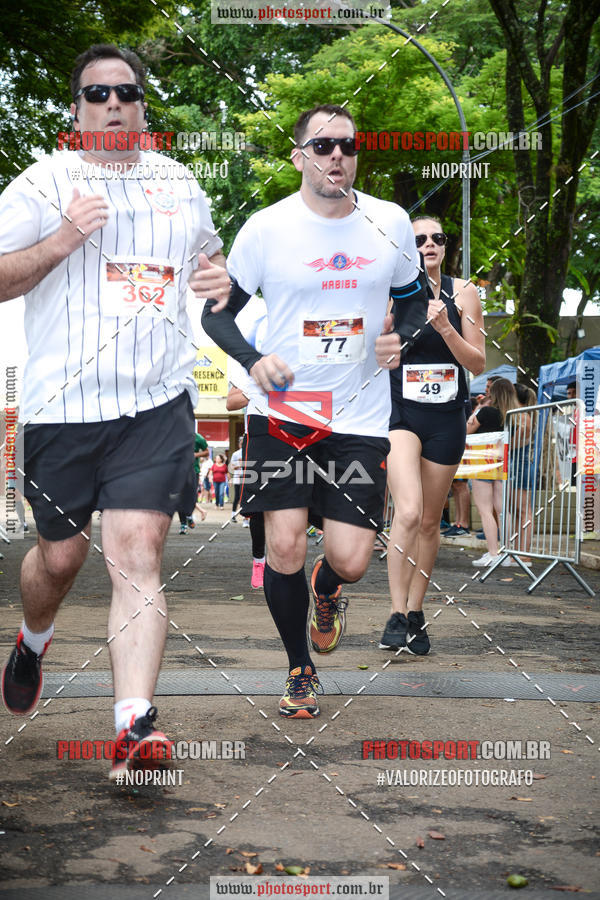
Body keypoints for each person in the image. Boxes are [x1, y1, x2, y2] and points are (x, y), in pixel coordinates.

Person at [0, 44, 231, 780]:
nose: (112, 105)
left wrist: (218, 280)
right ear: (76, 110)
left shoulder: (180, 184)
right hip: (62, 407)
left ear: (141, 105)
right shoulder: (43, 183)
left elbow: (211, 265)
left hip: (154, 405)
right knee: (60, 558)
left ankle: (134, 726)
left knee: (136, 553)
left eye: (125, 93)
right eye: (96, 95)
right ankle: (34, 638)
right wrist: (64, 238)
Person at [197, 103, 428, 718]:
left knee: (351, 559)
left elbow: (414, 299)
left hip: (358, 416)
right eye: (323, 146)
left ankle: (327, 590)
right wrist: (252, 360)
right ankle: (300, 667)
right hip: (283, 412)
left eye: (347, 146)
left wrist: (401, 337)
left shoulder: (390, 221)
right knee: (284, 546)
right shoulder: (266, 228)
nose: (337, 156)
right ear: (300, 155)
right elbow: (216, 315)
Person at [376, 215, 485, 653]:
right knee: (406, 511)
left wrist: (445, 327)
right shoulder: (389, 292)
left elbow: (477, 363)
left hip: (447, 418)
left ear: (445, 245)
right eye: (419, 239)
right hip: (401, 414)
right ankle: (395, 614)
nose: (428, 244)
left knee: (428, 520)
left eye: (436, 238)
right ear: (407, 246)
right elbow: (376, 355)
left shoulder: (465, 292)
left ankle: (416, 611)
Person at [468, 378, 518, 567]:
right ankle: (508, 553)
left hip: (482, 461)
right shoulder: (513, 416)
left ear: (493, 393)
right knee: (503, 509)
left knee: (485, 510)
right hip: (502, 462)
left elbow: (467, 429)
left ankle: (493, 553)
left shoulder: (486, 412)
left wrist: (479, 407)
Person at [178, 430, 209, 534]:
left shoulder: (198, 438)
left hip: (193, 470)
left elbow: (206, 452)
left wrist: (195, 455)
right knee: (180, 497)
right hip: (178, 471)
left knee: (192, 497)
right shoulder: (174, 435)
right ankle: (183, 524)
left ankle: (189, 515)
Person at [229, 436, 245, 520]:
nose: (242, 445)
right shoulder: (236, 454)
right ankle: (233, 514)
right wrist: (240, 464)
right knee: (237, 497)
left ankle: (245, 517)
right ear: (239, 445)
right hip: (238, 477)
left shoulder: (249, 453)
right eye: (241, 444)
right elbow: (232, 466)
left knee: (244, 497)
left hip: (247, 477)